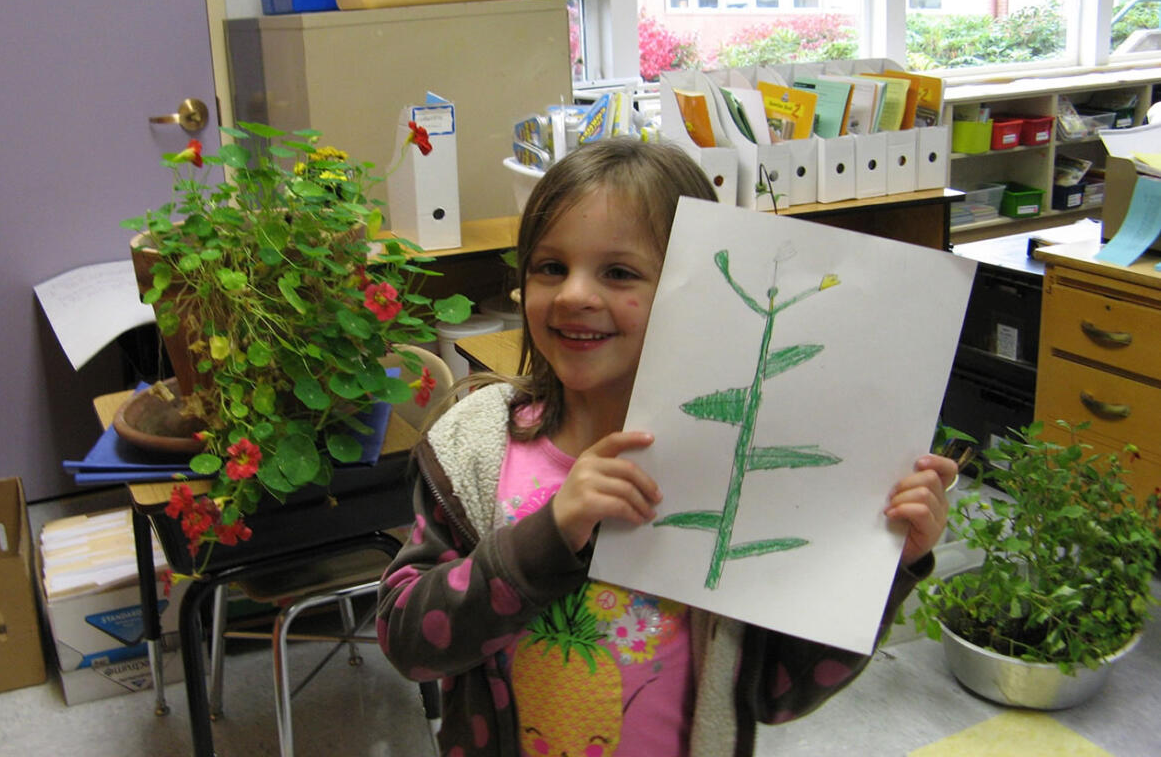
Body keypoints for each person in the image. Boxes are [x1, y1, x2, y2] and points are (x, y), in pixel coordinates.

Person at [377, 138, 956, 757]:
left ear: (695, 289)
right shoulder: (476, 445)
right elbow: (409, 641)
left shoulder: (737, 461)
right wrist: (551, 533)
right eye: (550, 267)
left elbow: (775, 693)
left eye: (619, 272)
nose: (574, 294)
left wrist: (884, 568)